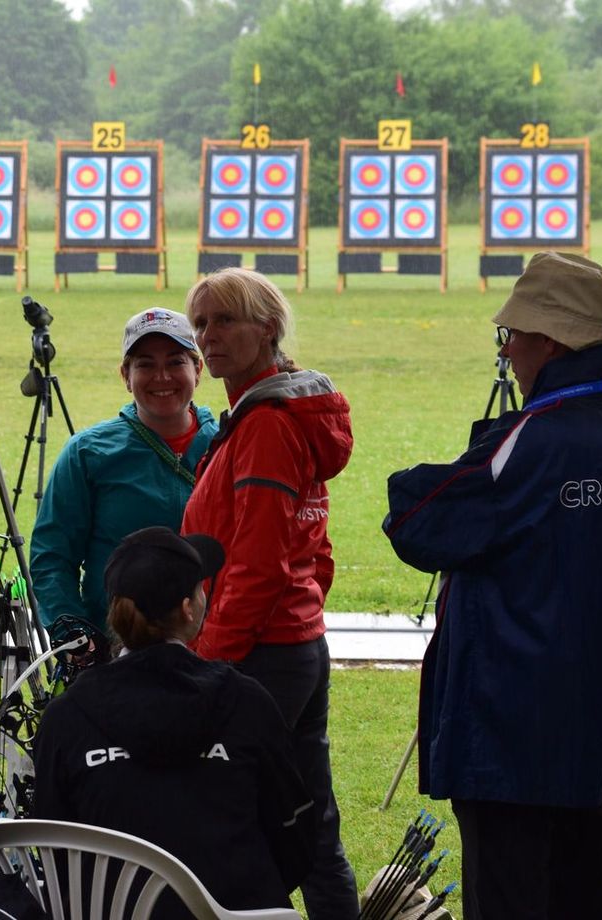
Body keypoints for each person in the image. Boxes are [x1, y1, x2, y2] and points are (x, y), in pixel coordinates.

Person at [383, 251, 602, 920]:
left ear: (549, 340)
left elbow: (419, 519)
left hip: (509, 730)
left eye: (513, 335)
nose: (507, 350)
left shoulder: (534, 438)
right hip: (596, 726)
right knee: (585, 898)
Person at [180, 267, 358, 919]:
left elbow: (256, 564)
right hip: (293, 646)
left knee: (237, 824)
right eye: (201, 323)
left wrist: (210, 663)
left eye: (225, 320)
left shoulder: (266, 424)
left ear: (269, 329)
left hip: (260, 655)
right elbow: (315, 547)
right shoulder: (272, 413)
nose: (208, 336)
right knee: (310, 827)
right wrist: (302, 610)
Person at [33, 526, 315, 918]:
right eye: (202, 589)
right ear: (188, 608)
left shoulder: (65, 717)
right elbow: (295, 839)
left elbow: (51, 848)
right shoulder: (248, 703)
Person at [31, 308, 216, 641]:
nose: (162, 377)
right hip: (119, 650)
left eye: (176, 362)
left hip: (218, 650)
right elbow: (52, 556)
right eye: (145, 364)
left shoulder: (227, 445)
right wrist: (76, 635)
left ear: (198, 370)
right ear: (125, 375)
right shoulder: (87, 453)